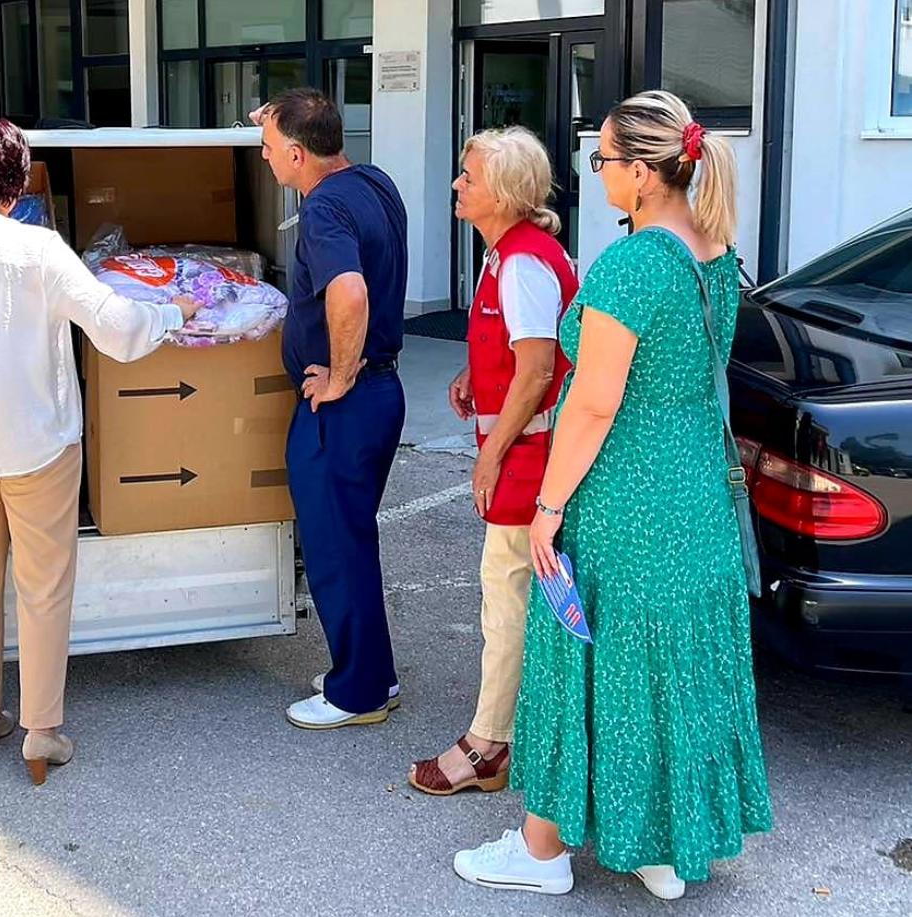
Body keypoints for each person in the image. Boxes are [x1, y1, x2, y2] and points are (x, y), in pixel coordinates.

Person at [452, 91, 773, 898]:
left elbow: (594, 405)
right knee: (667, 670)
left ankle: (540, 852)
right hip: (695, 493)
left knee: (585, 659)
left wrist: (548, 507)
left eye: (603, 159)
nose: (596, 172)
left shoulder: (631, 265)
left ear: (642, 174)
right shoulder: (715, 251)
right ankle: (658, 845)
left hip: (625, 497)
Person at [0, 118, 198, 784]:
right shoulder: (39, 249)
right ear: (18, 180)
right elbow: (117, 329)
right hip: (38, 442)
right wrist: (173, 311)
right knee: (43, 586)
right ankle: (42, 731)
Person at [408, 127, 576, 795]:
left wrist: (491, 457)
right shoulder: (510, 253)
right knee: (513, 596)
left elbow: (537, 370)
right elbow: (516, 350)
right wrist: (472, 373)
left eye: (469, 176)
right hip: (529, 449)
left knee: (505, 600)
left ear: (502, 195)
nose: (457, 184)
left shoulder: (523, 262)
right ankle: (511, 734)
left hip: (529, 457)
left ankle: (488, 745)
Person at [254, 88, 408, 729]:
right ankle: (371, 672)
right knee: (353, 539)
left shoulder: (321, 210)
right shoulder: (373, 182)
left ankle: (357, 695)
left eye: (268, 147)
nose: (264, 157)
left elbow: (348, 290)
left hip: (346, 406)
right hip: (382, 394)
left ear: (297, 154)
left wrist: (341, 375)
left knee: (334, 547)